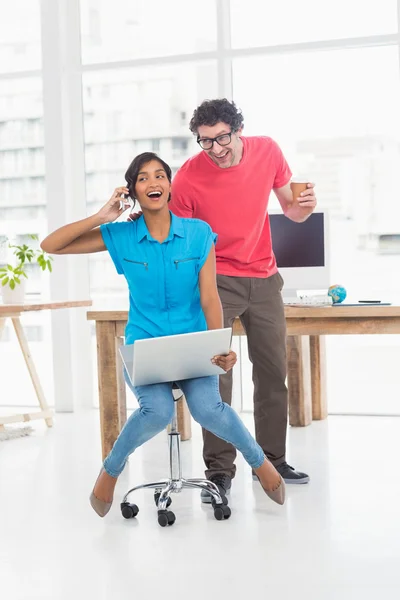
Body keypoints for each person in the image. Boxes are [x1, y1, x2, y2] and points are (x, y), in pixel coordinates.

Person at [40, 151, 285, 518]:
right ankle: (110, 470)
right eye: (142, 178)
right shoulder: (121, 236)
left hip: (193, 348)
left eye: (160, 176)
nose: (153, 182)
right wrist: (103, 216)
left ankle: (259, 462)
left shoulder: (198, 234)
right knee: (156, 410)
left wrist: (221, 346)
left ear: (170, 185)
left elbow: (209, 297)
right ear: (133, 191)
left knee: (209, 408)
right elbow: (51, 245)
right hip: (145, 347)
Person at [169, 99, 317, 502]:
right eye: (205, 142)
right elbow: (179, 243)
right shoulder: (187, 178)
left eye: (222, 138)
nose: (216, 149)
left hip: (265, 278)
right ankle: (219, 471)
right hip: (217, 281)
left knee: (272, 373)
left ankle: (271, 461)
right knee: (215, 378)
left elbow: (290, 208)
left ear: (237, 130)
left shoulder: (267, 150)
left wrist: (304, 208)